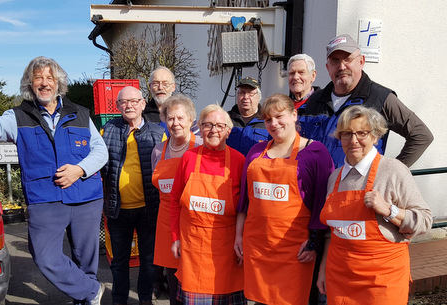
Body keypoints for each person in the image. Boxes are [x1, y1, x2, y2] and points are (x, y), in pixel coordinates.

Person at [0, 56, 108, 305]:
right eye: (38, 78)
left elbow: (100, 151)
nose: (44, 83)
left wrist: (79, 170)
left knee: (86, 262)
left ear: (58, 83)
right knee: (45, 256)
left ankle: (86, 297)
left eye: (50, 78)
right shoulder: (18, 115)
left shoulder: (80, 113)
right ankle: (92, 291)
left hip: (86, 198)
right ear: (30, 83)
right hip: (44, 199)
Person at [316, 105, 432, 305]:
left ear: (375, 137)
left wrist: (389, 210)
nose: (353, 140)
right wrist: (323, 270)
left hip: (381, 281)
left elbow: (425, 221)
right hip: (340, 278)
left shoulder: (393, 171)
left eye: (362, 133)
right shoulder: (334, 177)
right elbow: (332, 233)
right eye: (346, 134)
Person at [235, 93, 334, 305]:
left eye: (279, 116)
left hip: (296, 251)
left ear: (294, 115)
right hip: (258, 248)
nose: (274, 123)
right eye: (268, 119)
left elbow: (322, 205)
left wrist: (313, 243)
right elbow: (244, 200)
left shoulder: (315, 152)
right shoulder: (255, 152)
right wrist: (238, 236)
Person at [302, 34, 433, 168]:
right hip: (318, 187)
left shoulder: (380, 97)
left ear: (361, 61)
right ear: (328, 67)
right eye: (335, 61)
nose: (342, 66)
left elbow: (421, 135)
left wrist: (390, 172)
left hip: (360, 187)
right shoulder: (314, 101)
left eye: (348, 59)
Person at [170, 104, 246, 305]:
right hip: (193, 248)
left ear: (229, 131)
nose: (213, 130)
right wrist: (175, 237)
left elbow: (245, 208)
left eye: (220, 126)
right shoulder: (188, 158)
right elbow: (175, 201)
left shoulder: (239, 161)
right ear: (200, 128)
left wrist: (242, 240)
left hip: (227, 249)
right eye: (208, 125)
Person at [101, 86, 165, 305]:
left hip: (149, 209)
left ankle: (145, 299)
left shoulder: (159, 132)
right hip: (117, 209)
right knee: (119, 262)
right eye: (123, 102)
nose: (129, 105)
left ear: (143, 103)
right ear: (118, 106)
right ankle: (119, 300)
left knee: (148, 261)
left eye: (133, 101)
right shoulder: (106, 130)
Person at [151, 94, 203, 305]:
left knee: (195, 281)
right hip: (167, 223)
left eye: (181, 118)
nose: (176, 123)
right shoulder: (158, 151)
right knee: (174, 282)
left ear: (191, 120)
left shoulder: (200, 147)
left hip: (195, 222)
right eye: (171, 118)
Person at [226, 77, 271, 156]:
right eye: (242, 93)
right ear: (237, 96)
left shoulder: (267, 120)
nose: (246, 97)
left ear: (258, 97)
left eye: (251, 93)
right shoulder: (225, 119)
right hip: (228, 167)